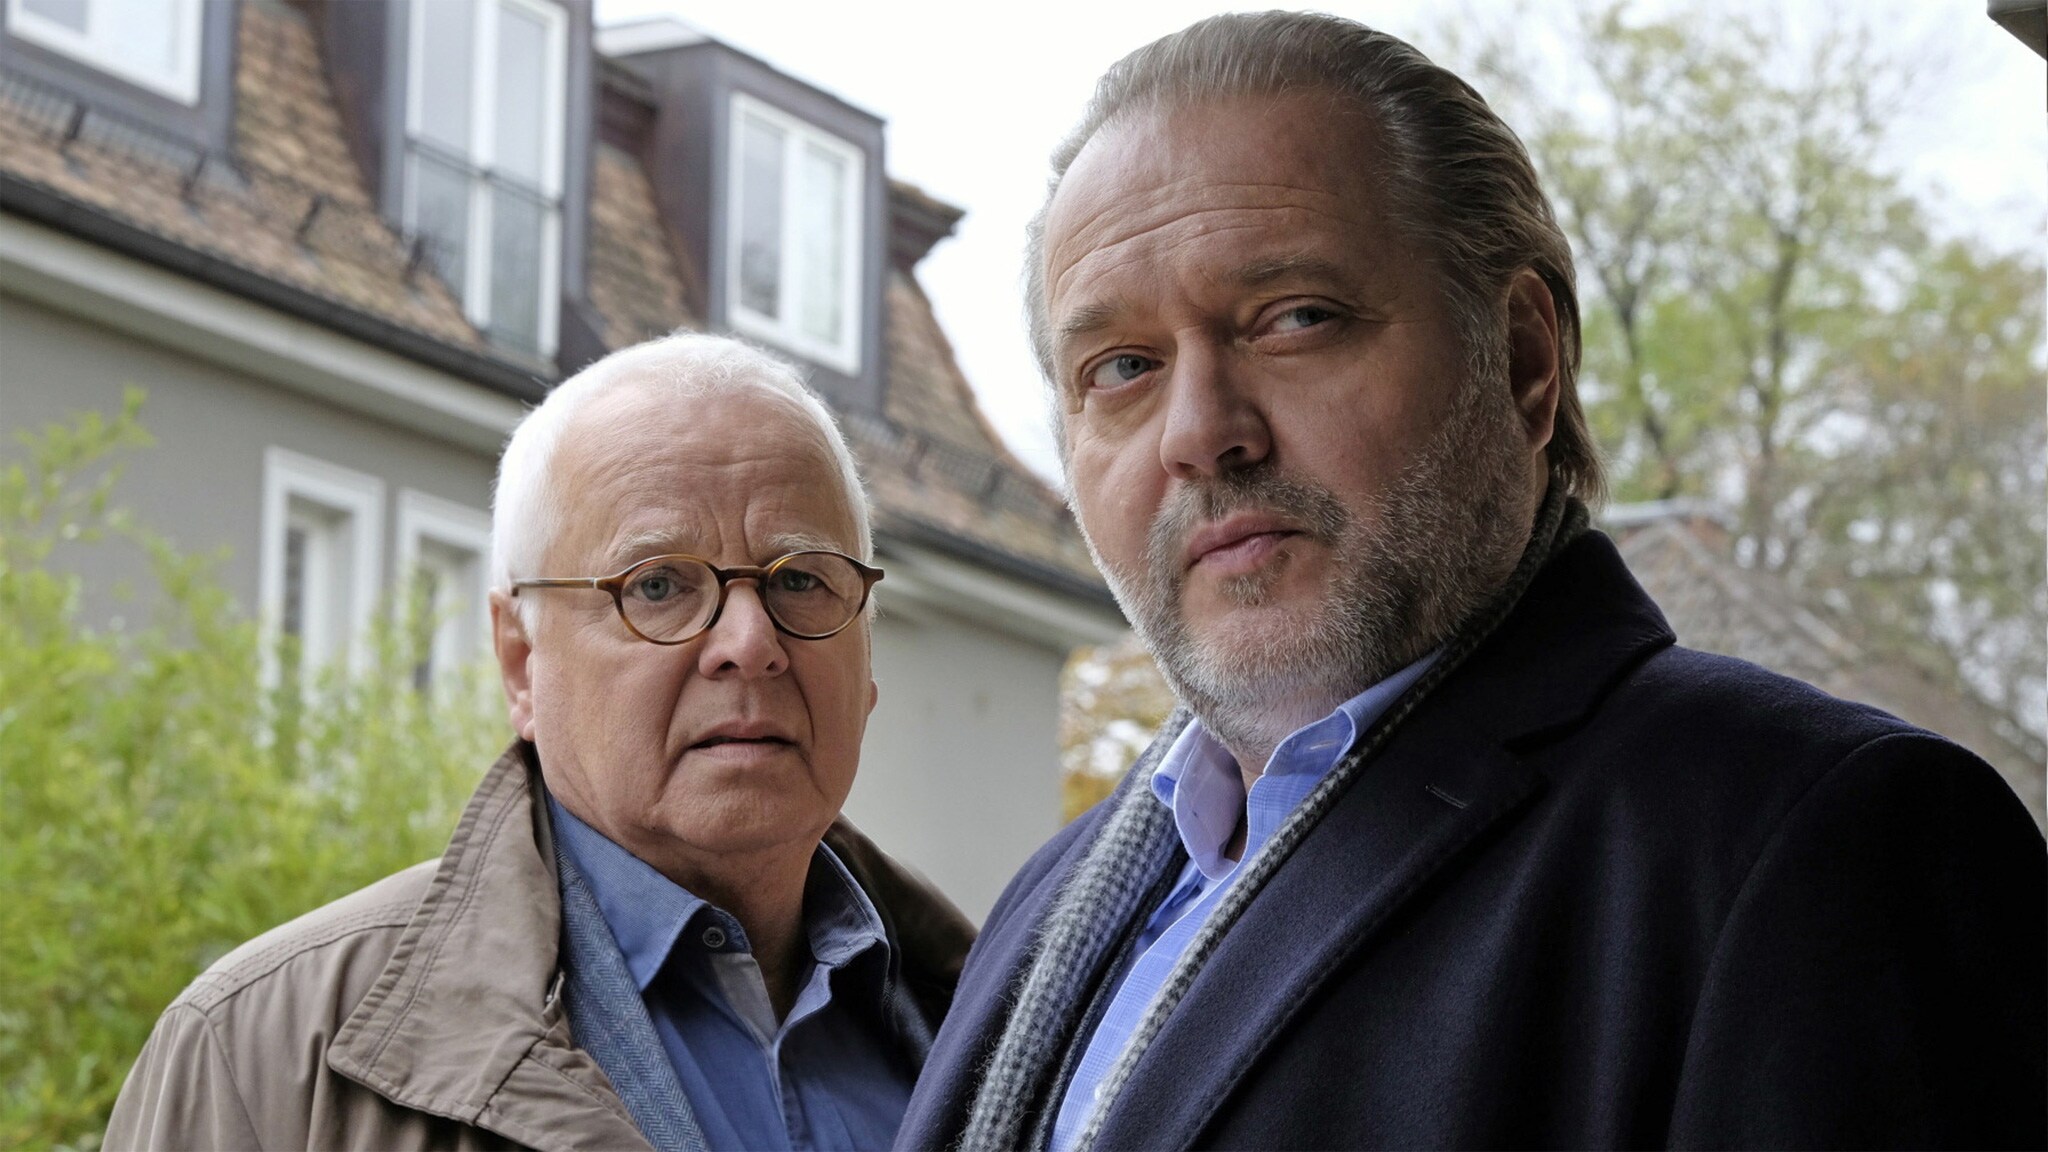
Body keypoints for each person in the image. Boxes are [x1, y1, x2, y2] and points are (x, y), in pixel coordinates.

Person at [897, 13, 2046, 1151]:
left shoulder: (1814, 848)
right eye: (1121, 368)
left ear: (1522, 360)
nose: (1199, 432)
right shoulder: (1046, 908)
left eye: (1294, 319)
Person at [107, 333, 975, 1150]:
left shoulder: (1003, 1028)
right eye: (659, 585)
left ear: (867, 656)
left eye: (801, 581)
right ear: (521, 661)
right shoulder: (260, 1058)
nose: (750, 642)